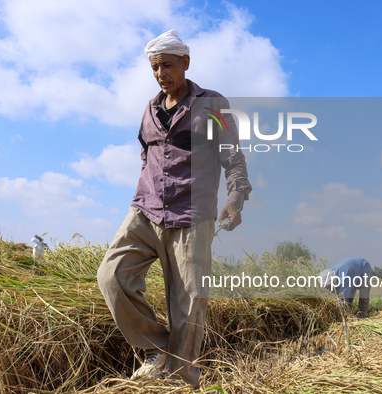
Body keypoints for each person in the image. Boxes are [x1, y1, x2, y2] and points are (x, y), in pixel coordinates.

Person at [97, 29, 252, 389]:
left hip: (191, 213)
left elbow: (232, 154)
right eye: (154, 68)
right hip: (146, 209)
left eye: (166, 65)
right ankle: (157, 348)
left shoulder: (212, 103)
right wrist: (143, 190)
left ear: (185, 62)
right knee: (111, 275)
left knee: (190, 302)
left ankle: (181, 379)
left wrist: (235, 197)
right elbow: (146, 155)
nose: (160, 74)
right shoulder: (150, 108)